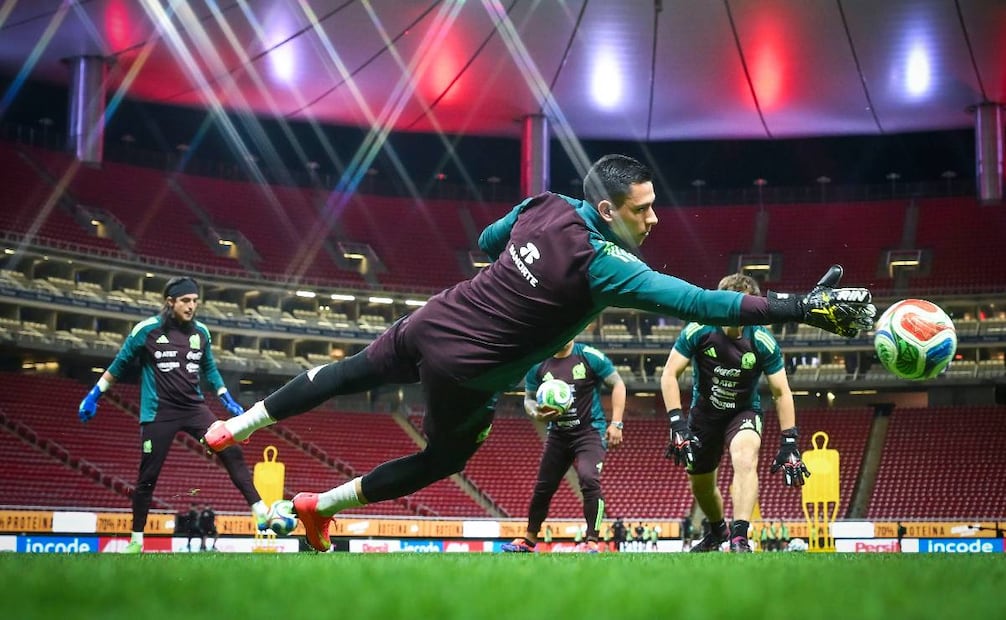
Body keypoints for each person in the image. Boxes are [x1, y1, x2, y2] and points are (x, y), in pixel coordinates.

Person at [201, 154, 875, 552]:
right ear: (608, 210)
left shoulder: (544, 203)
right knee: (444, 458)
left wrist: (521, 275)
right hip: (468, 371)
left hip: (436, 317)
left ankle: (235, 425)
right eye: (642, 210)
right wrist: (801, 307)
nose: (655, 219)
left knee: (349, 371)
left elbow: (489, 244)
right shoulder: (605, 266)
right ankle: (322, 508)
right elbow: (706, 303)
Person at [77, 276, 270, 553]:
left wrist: (225, 396)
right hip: (159, 413)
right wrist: (94, 395)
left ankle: (260, 510)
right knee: (148, 476)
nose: (191, 306)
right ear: (170, 302)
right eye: (185, 301)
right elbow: (118, 366)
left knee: (231, 448)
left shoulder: (201, 332)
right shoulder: (146, 331)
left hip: (194, 408)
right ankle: (136, 539)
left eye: (195, 301)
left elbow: (210, 368)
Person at [661, 273, 810, 553]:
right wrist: (676, 422)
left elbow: (781, 391)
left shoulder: (763, 341)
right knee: (702, 484)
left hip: (743, 413)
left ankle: (740, 536)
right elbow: (670, 373)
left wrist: (790, 440)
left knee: (745, 457)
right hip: (703, 417)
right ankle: (718, 532)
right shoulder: (698, 329)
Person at [501, 340, 626, 554]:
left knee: (588, 478)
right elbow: (529, 399)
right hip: (558, 435)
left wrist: (616, 423)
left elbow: (618, 384)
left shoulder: (589, 356)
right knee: (543, 487)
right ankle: (529, 541)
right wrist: (536, 413)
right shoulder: (538, 363)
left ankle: (592, 542)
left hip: (590, 432)